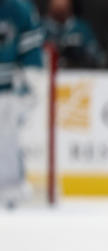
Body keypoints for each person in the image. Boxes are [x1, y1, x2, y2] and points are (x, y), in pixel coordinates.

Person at [0, 0, 44, 209]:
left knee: (6, 138)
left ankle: (9, 190)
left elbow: (31, 49)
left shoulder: (18, 8)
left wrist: (30, 78)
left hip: (7, 90)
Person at [42, 0, 106, 68]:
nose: (60, 5)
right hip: (46, 71)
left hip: (77, 72)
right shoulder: (40, 27)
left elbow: (98, 55)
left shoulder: (81, 28)